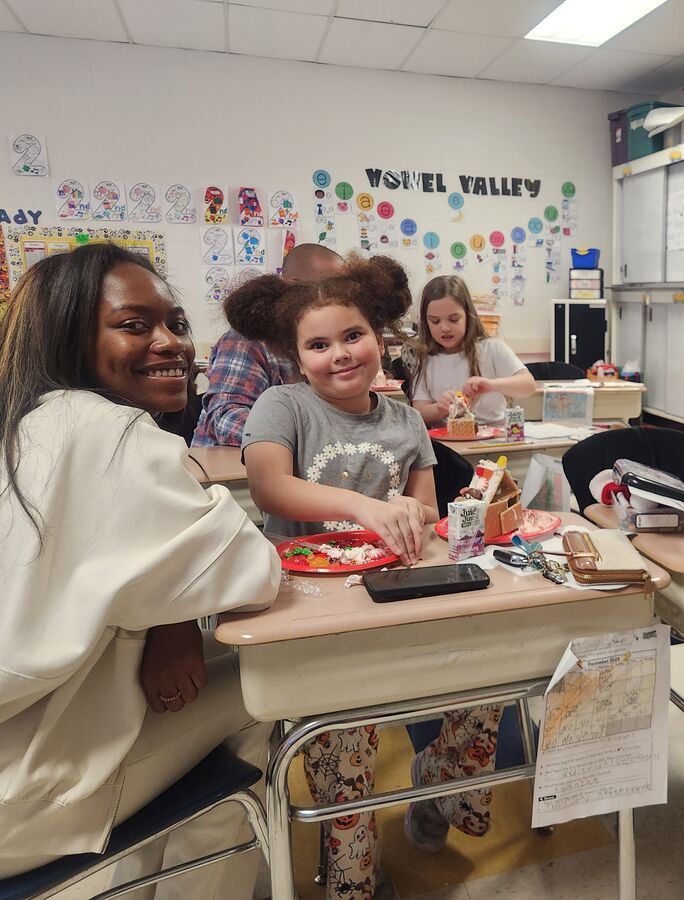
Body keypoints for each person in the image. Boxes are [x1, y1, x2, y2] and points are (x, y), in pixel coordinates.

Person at [0, 243, 280, 898]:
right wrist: (174, 612)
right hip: (12, 798)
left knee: (218, 677)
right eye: (134, 325)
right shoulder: (107, 433)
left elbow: (134, 572)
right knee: (267, 692)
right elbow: (252, 569)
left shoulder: (19, 426)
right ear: (69, 337)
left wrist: (171, 618)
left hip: (7, 749)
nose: (170, 342)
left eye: (176, 322)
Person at [229, 257, 505, 898]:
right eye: (318, 345)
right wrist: (363, 506)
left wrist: (415, 512)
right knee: (345, 752)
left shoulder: (406, 418)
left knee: (488, 690)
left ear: (379, 336)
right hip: (308, 606)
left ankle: (436, 785)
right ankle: (354, 883)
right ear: (298, 359)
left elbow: (428, 508)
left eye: (352, 336)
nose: (340, 354)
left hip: (394, 594)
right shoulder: (284, 405)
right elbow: (269, 486)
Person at [191, 242, 343, 447]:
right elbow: (225, 419)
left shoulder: (326, 340)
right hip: (231, 471)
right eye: (331, 289)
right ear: (293, 286)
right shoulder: (248, 339)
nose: (340, 301)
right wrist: (305, 440)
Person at [409, 275, 535, 428]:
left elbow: (528, 386)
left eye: (454, 319)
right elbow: (419, 411)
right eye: (434, 321)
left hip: (494, 437)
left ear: (468, 316)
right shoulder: (426, 359)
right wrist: (439, 408)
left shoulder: (491, 348)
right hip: (448, 442)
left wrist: (492, 385)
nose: (445, 328)